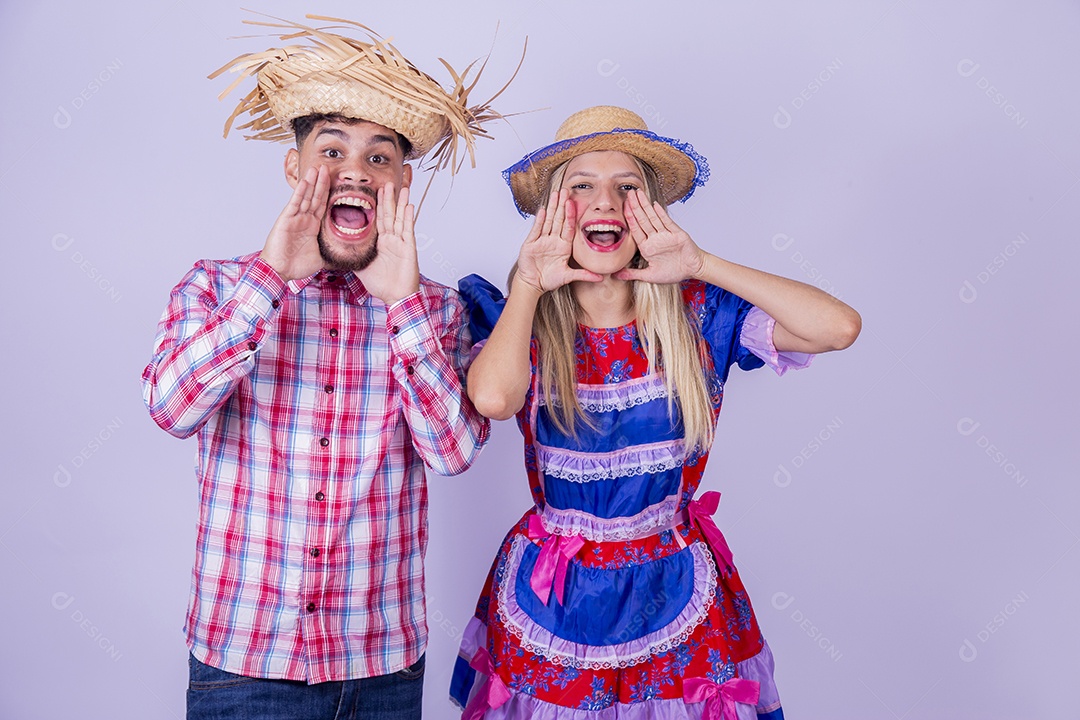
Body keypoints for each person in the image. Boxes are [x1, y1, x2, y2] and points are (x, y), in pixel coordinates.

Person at [141, 15, 514, 719]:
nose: (356, 170)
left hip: (383, 666)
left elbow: (456, 454)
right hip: (243, 663)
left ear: (402, 181)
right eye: (332, 148)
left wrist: (402, 306)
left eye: (379, 157)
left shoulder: (434, 309)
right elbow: (170, 409)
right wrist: (270, 280)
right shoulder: (219, 289)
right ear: (295, 167)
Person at [449, 106, 861, 719]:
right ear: (555, 212)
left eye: (627, 186)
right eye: (580, 186)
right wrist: (531, 285)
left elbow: (839, 328)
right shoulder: (521, 319)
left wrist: (701, 264)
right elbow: (493, 399)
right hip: (556, 594)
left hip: (676, 581)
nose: (604, 201)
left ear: (649, 212)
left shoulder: (699, 314)